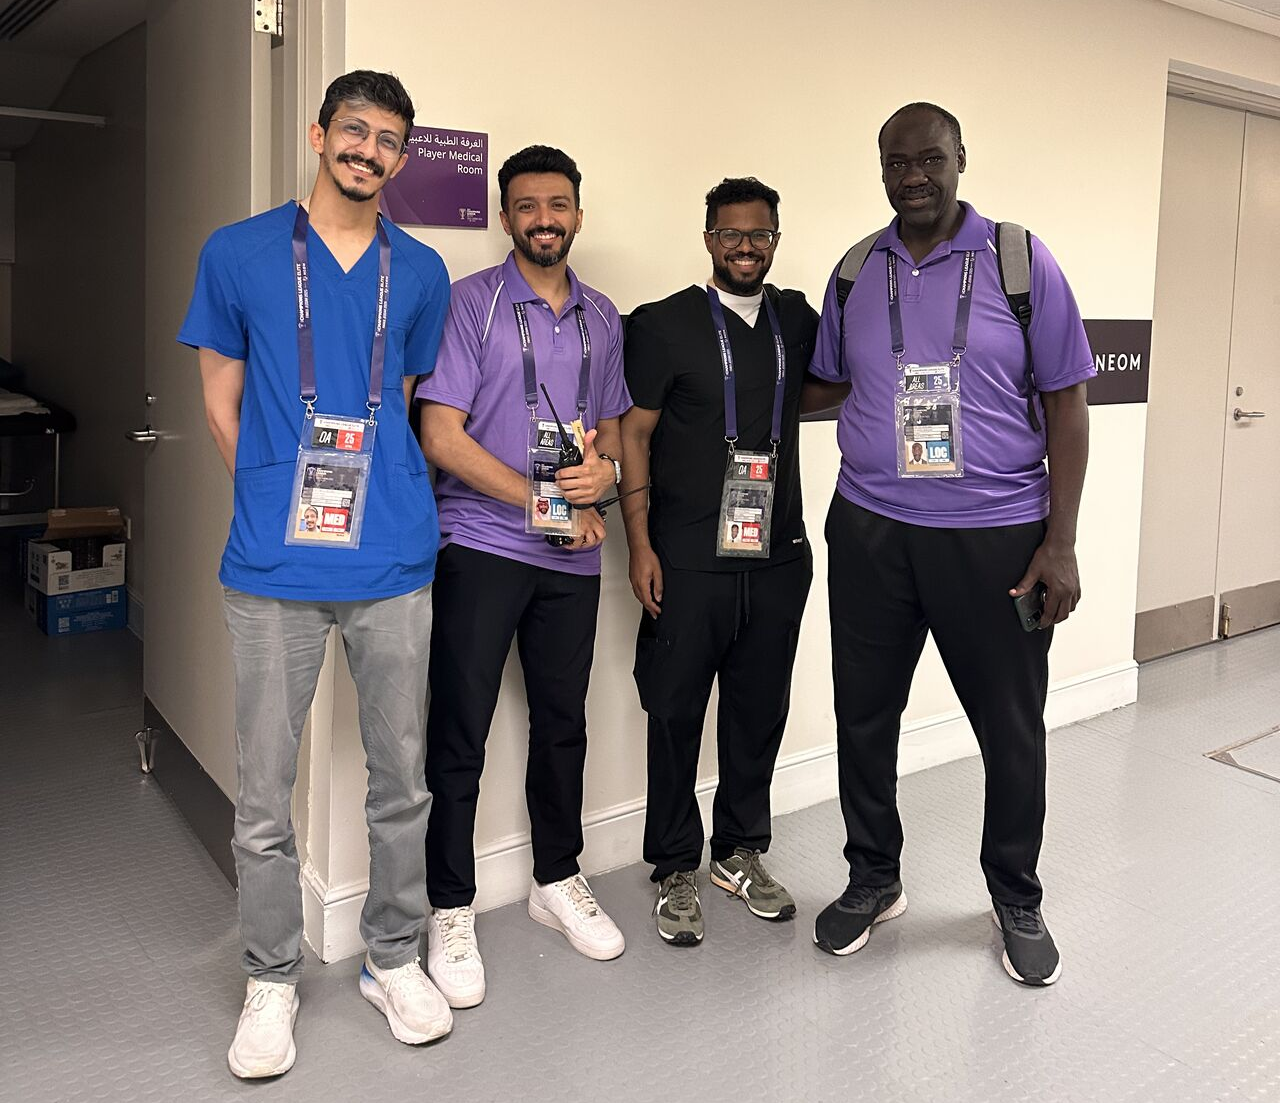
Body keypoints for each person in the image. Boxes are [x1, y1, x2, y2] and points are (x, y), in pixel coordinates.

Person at [179, 71, 454, 1078]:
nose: (368, 150)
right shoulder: (237, 251)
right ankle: (270, 975)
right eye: (353, 130)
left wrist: (370, 499)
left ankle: (391, 953)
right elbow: (221, 397)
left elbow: (407, 397)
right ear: (318, 134)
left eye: (388, 139)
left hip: (392, 558)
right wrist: (268, 498)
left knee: (401, 776)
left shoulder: (417, 271)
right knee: (263, 793)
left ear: (401, 158)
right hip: (271, 565)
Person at [807, 103, 1094, 986]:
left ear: (961, 158)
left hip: (996, 536)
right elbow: (826, 382)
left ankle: (1013, 892)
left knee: (1009, 728)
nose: (914, 174)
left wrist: (1062, 542)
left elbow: (1067, 405)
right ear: (881, 168)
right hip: (871, 529)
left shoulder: (1018, 261)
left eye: (930, 157)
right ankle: (873, 876)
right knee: (864, 713)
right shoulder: (856, 270)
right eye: (897, 161)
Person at [416, 145, 630, 1007]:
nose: (546, 217)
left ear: (579, 213)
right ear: (507, 217)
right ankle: (450, 905)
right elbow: (442, 434)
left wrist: (604, 480)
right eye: (528, 205)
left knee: (563, 723)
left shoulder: (603, 316)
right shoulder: (470, 303)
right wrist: (542, 498)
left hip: (571, 556)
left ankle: (557, 877)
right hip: (478, 544)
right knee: (459, 731)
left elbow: (613, 433)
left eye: (560, 204)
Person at [619, 177, 830, 946]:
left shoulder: (795, 318)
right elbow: (632, 435)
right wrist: (639, 543)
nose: (747, 247)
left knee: (758, 710)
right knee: (674, 712)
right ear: (708, 238)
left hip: (778, 557)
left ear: (776, 237)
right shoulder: (664, 324)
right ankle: (675, 862)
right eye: (732, 234)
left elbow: (840, 380)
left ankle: (739, 850)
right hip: (686, 556)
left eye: (761, 234)